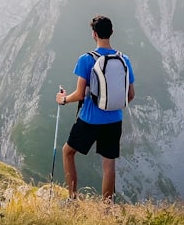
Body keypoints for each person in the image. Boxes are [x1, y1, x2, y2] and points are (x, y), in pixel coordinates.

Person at [55, 15, 136, 202]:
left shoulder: (86, 59)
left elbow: (80, 94)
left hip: (90, 119)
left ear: (94, 34)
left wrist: (63, 99)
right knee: (109, 164)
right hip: (114, 119)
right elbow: (131, 95)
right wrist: (113, 104)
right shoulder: (125, 59)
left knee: (67, 152)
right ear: (112, 33)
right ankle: (107, 209)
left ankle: (73, 198)